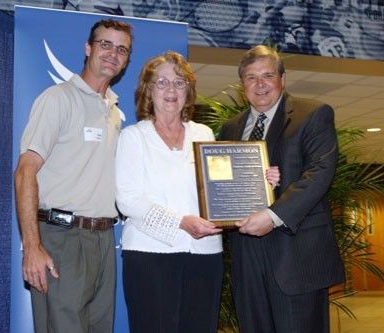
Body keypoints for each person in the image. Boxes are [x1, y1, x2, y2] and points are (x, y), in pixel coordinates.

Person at [114, 51, 279, 333]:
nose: (171, 90)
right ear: (148, 90)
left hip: (205, 254)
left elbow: (222, 186)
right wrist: (181, 222)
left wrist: (260, 180)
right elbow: (127, 200)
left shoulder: (203, 134)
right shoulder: (133, 136)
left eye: (179, 83)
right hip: (150, 255)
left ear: (188, 92)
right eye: (162, 82)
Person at [14, 19, 132, 333]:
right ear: (88, 48)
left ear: (126, 61)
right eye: (105, 44)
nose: (112, 53)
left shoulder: (112, 111)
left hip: (104, 239)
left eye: (121, 49)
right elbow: (25, 171)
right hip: (61, 238)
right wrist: (32, 246)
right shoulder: (58, 99)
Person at [218, 45, 345, 333]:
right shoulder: (230, 128)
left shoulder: (312, 114)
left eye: (267, 75)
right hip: (246, 258)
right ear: (242, 85)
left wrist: (273, 216)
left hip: (295, 256)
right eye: (251, 77)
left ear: (282, 79)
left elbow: (319, 173)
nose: (259, 84)